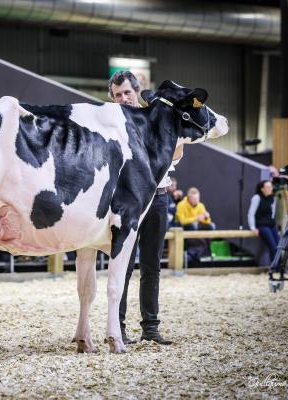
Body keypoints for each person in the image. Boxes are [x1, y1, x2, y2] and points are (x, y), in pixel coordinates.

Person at [110, 71, 176, 345]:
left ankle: (151, 327)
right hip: (129, 200)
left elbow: (177, 151)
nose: (123, 98)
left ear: (137, 91)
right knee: (123, 265)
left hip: (159, 196)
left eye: (126, 92)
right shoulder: (113, 124)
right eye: (117, 95)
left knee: (151, 266)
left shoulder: (157, 118)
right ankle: (119, 327)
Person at [248, 180, 279, 262]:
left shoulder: (273, 198)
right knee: (273, 246)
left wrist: (272, 221)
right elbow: (251, 213)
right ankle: (274, 267)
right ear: (262, 189)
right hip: (262, 225)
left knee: (279, 246)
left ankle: (278, 266)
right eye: (268, 187)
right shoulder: (257, 198)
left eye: (271, 187)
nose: (270, 189)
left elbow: (273, 212)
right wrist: (253, 227)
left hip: (271, 224)